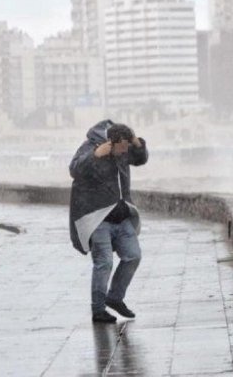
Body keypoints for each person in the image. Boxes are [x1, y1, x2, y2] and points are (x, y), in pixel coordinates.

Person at [69, 120, 148, 323]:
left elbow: (140, 159)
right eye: (122, 148)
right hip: (98, 218)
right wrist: (95, 156)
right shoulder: (90, 147)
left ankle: (115, 298)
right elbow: (74, 169)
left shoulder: (125, 147)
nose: (125, 153)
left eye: (127, 148)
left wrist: (137, 143)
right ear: (112, 143)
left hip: (122, 215)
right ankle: (98, 310)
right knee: (104, 263)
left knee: (133, 256)